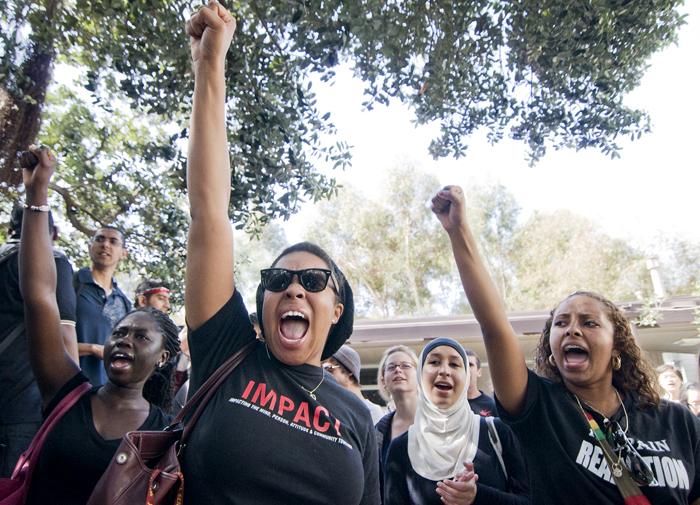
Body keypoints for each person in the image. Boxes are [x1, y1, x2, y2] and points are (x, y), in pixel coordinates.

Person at [181, 3, 379, 503]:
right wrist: (210, 65)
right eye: (277, 280)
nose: (293, 287)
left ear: (336, 311)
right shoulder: (228, 351)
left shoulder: (357, 416)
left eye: (313, 281)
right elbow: (209, 213)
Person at [433, 184, 700, 504]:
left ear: (617, 345)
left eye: (589, 322)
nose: (572, 330)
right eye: (561, 323)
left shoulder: (677, 421)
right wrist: (458, 230)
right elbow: (495, 327)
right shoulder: (539, 407)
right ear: (550, 345)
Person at [19, 146, 180, 505]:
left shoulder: (164, 435)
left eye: (141, 337)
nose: (124, 341)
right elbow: (39, 295)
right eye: (119, 333)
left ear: (164, 357)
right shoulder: (66, 392)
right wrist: (37, 194)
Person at [383, 338, 529, 505]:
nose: (444, 371)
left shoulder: (497, 432)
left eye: (454, 364)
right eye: (435, 362)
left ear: (466, 377)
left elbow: (529, 500)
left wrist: (477, 495)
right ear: (420, 376)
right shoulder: (400, 449)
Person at [0, 204, 77, 477]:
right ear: (53, 233)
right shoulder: (54, 261)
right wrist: (74, 403)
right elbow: (65, 332)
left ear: (11, 230)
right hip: (22, 403)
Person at [75, 225, 131, 386]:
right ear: (89, 247)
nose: (105, 245)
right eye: (99, 239)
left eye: (113, 241)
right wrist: (92, 348)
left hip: (103, 393)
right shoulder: (70, 285)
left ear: (123, 254)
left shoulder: (124, 303)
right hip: (65, 387)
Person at [375, 345, 419, 503]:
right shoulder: (378, 431)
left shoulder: (440, 420)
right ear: (383, 380)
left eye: (406, 366)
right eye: (391, 367)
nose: (398, 370)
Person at [325, 345, 387, 423]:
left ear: (349, 370)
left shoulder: (372, 411)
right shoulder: (330, 411)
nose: (324, 374)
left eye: (328, 368)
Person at [464, 348, 497, 417]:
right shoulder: (449, 404)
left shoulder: (492, 405)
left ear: (479, 372)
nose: (466, 368)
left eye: (470, 365)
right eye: (463, 364)